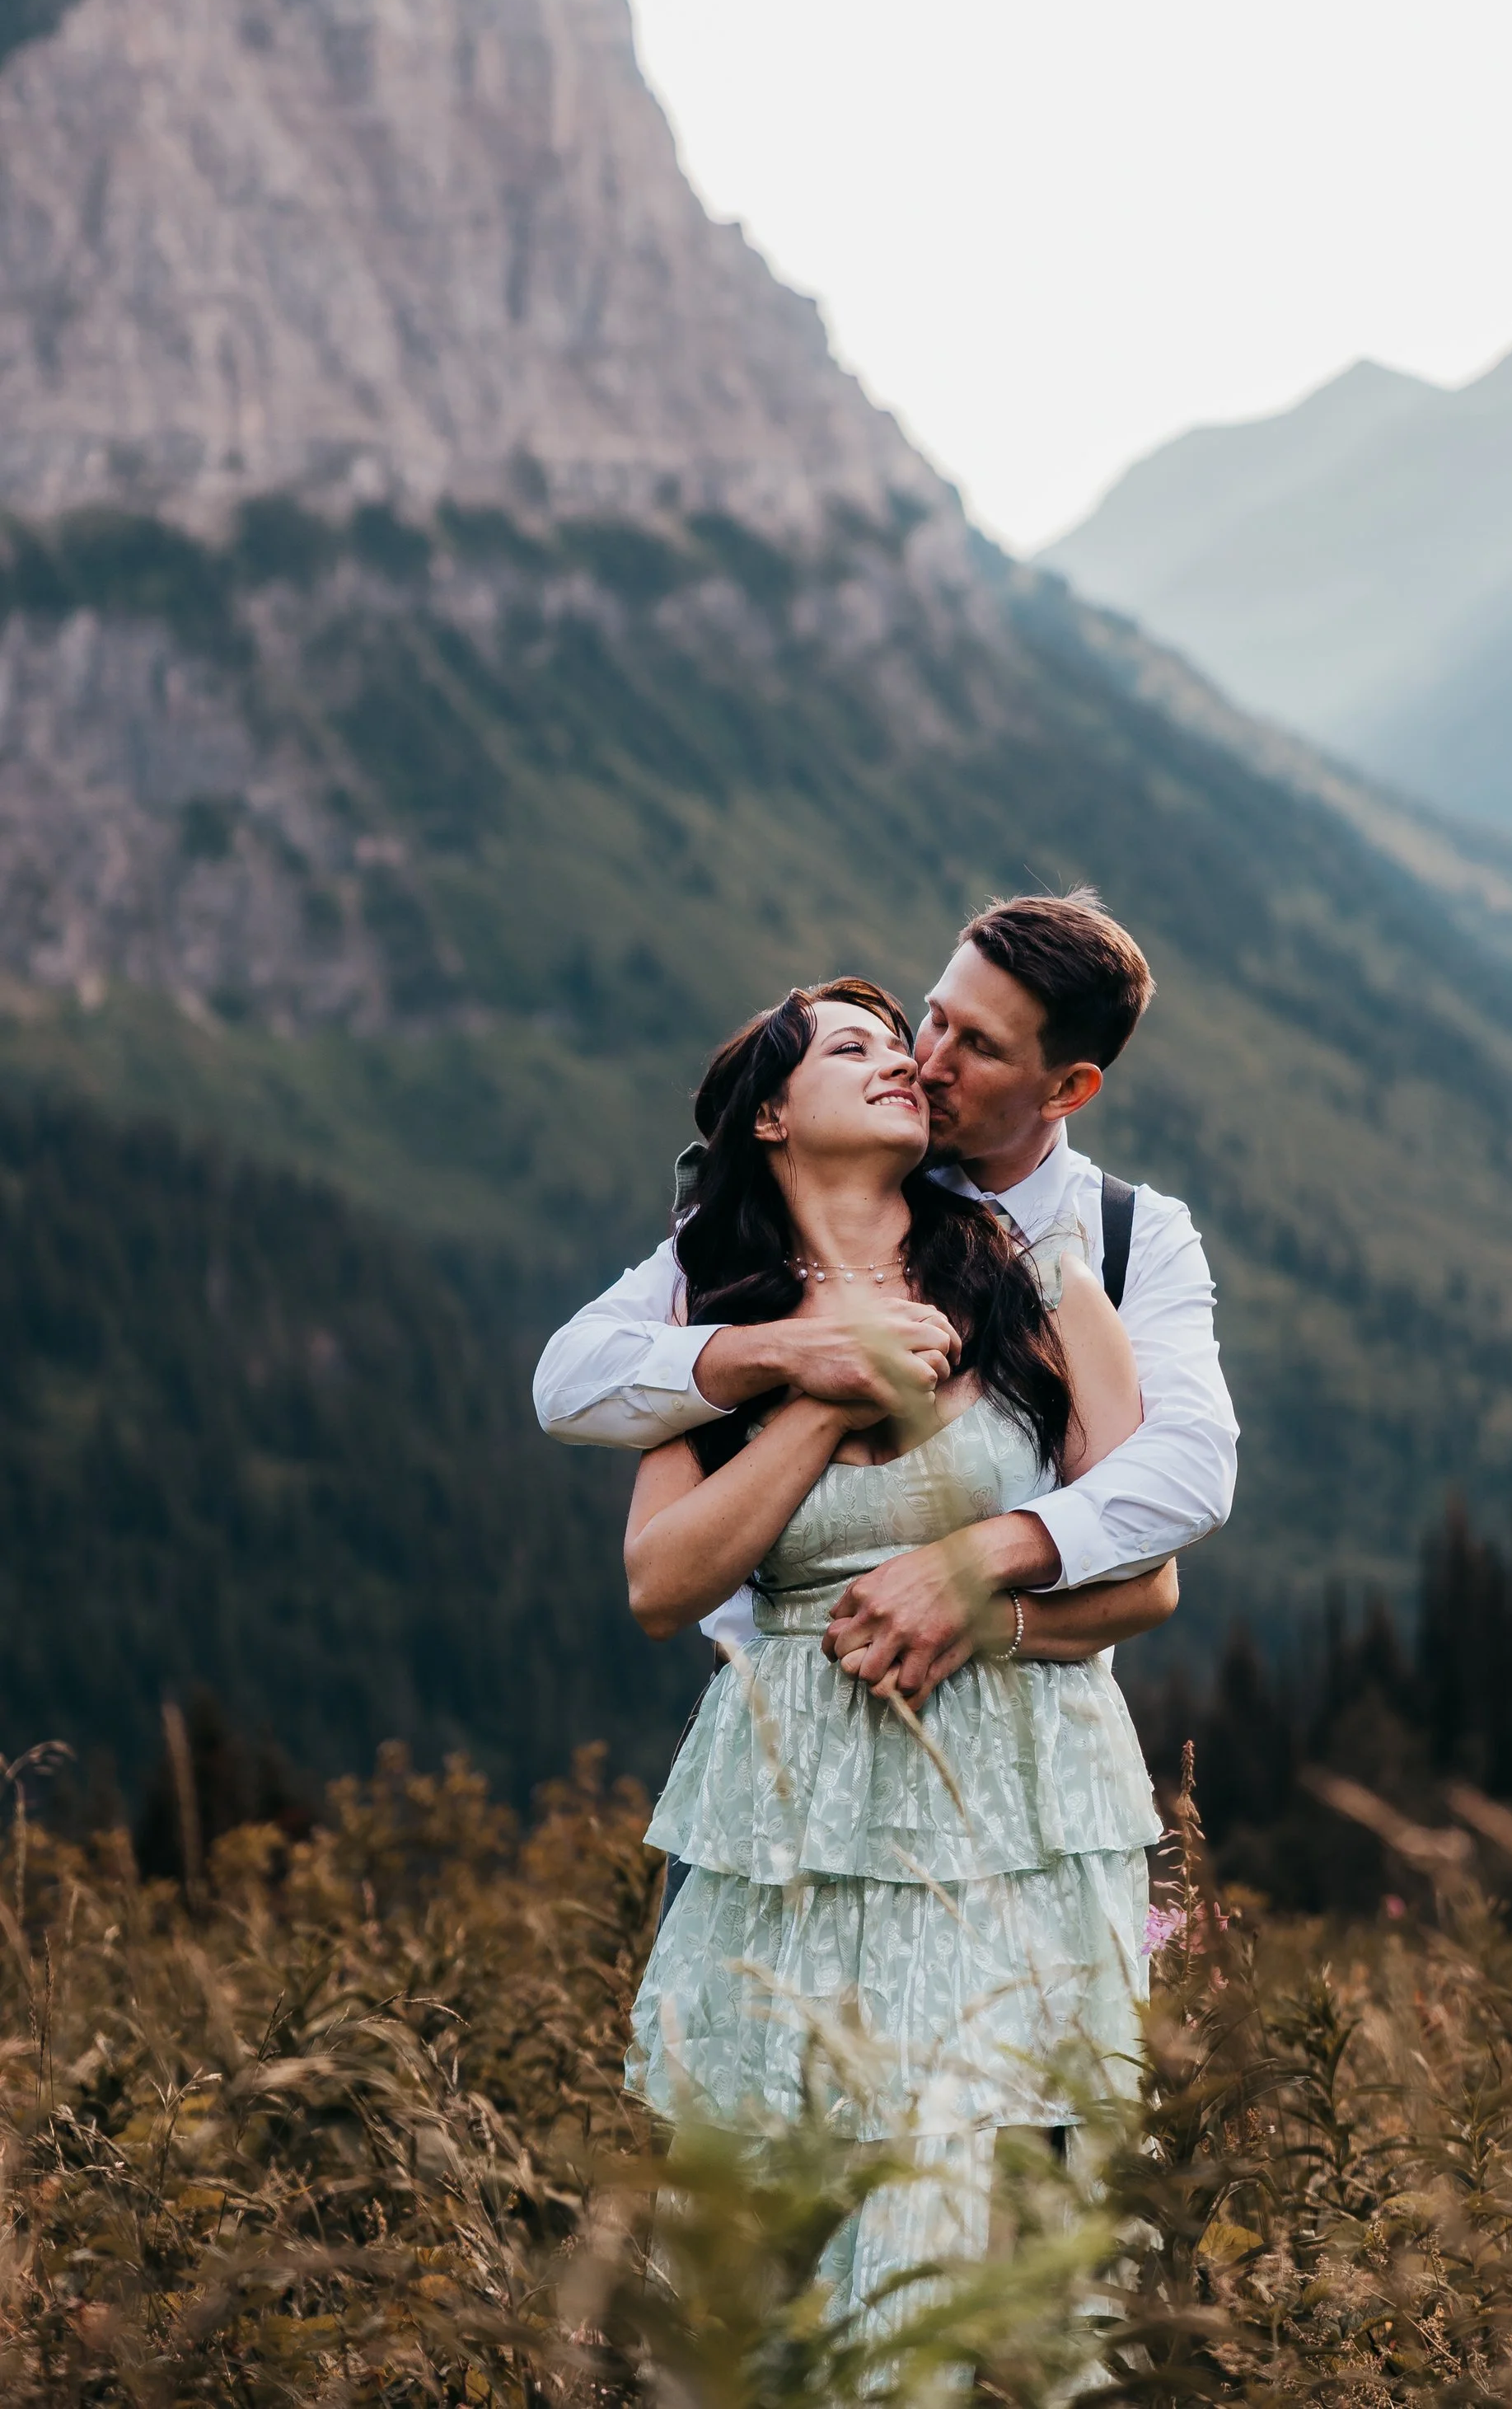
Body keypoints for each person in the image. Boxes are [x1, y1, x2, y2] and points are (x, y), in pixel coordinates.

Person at [616, 975, 1176, 2326]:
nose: (899, 1063)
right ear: (769, 1122)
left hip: (1018, 1799)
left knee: (973, 2222)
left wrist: (974, 1598)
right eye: (851, 1047)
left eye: (897, 1043)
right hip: (797, 1814)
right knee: (768, 2241)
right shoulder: (714, 1329)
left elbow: (1147, 1572)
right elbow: (661, 1582)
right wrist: (822, 1387)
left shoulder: (1043, 1285)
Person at [533, 891, 1238, 1683]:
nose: (925, 1063)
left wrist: (970, 1576)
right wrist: (793, 1354)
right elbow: (568, 1382)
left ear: (1066, 1091)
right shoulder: (756, 1246)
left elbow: (1186, 1473)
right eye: (935, 1018)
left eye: (981, 1047)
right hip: (780, 1714)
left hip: (1020, 1732)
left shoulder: (1121, 1240)